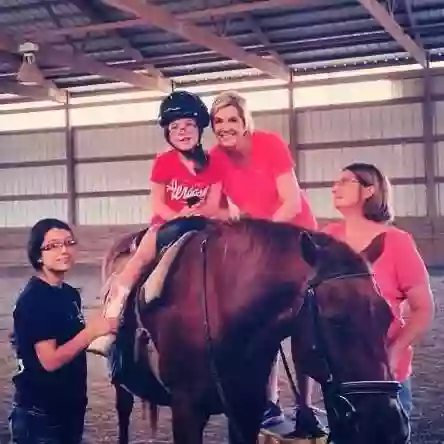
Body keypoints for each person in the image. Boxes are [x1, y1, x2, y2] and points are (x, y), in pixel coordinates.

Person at [208, 90, 324, 435]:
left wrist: (259, 234)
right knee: (262, 325)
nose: (225, 126)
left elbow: (290, 201)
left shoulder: (270, 144)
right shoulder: (215, 156)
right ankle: (269, 402)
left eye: (232, 119)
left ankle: (305, 406)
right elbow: (214, 205)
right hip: (257, 242)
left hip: (292, 235)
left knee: (304, 327)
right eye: (218, 121)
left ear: (245, 123)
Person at [88, 90, 224, 356]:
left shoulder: (214, 163)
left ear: (199, 130)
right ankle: (111, 322)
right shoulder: (164, 162)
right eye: (175, 127)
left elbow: (213, 203)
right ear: (167, 133)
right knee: (138, 262)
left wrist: (198, 216)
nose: (182, 132)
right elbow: (158, 204)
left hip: (202, 224)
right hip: (167, 226)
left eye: (188, 126)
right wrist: (179, 216)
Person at [322, 162, 435, 416]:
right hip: (341, 374)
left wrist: (394, 353)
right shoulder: (327, 237)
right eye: (335, 182)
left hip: (383, 374)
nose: (334, 188)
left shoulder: (397, 241)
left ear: (370, 190)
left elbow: (423, 309)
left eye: (344, 181)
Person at [9, 218, 117, 444]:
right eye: (53, 245)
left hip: (69, 410)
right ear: (38, 255)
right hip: (40, 416)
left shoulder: (69, 294)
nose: (64, 250)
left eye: (69, 242)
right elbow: (50, 361)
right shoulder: (35, 298)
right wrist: (91, 332)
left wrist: (104, 336)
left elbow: (72, 342)